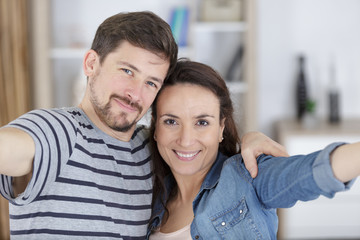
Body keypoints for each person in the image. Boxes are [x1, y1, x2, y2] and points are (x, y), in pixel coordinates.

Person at [0, 12, 287, 239]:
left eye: (151, 82)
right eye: (127, 71)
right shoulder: (56, 130)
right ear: (90, 64)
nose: (135, 94)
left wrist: (250, 138)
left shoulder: (151, 148)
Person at [147, 59, 359, 239]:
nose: (185, 140)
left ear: (221, 127)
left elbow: (311, 172)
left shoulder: (246, 176)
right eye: (171, 122)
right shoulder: (149, 194)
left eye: (202, 122)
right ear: (154, 126)